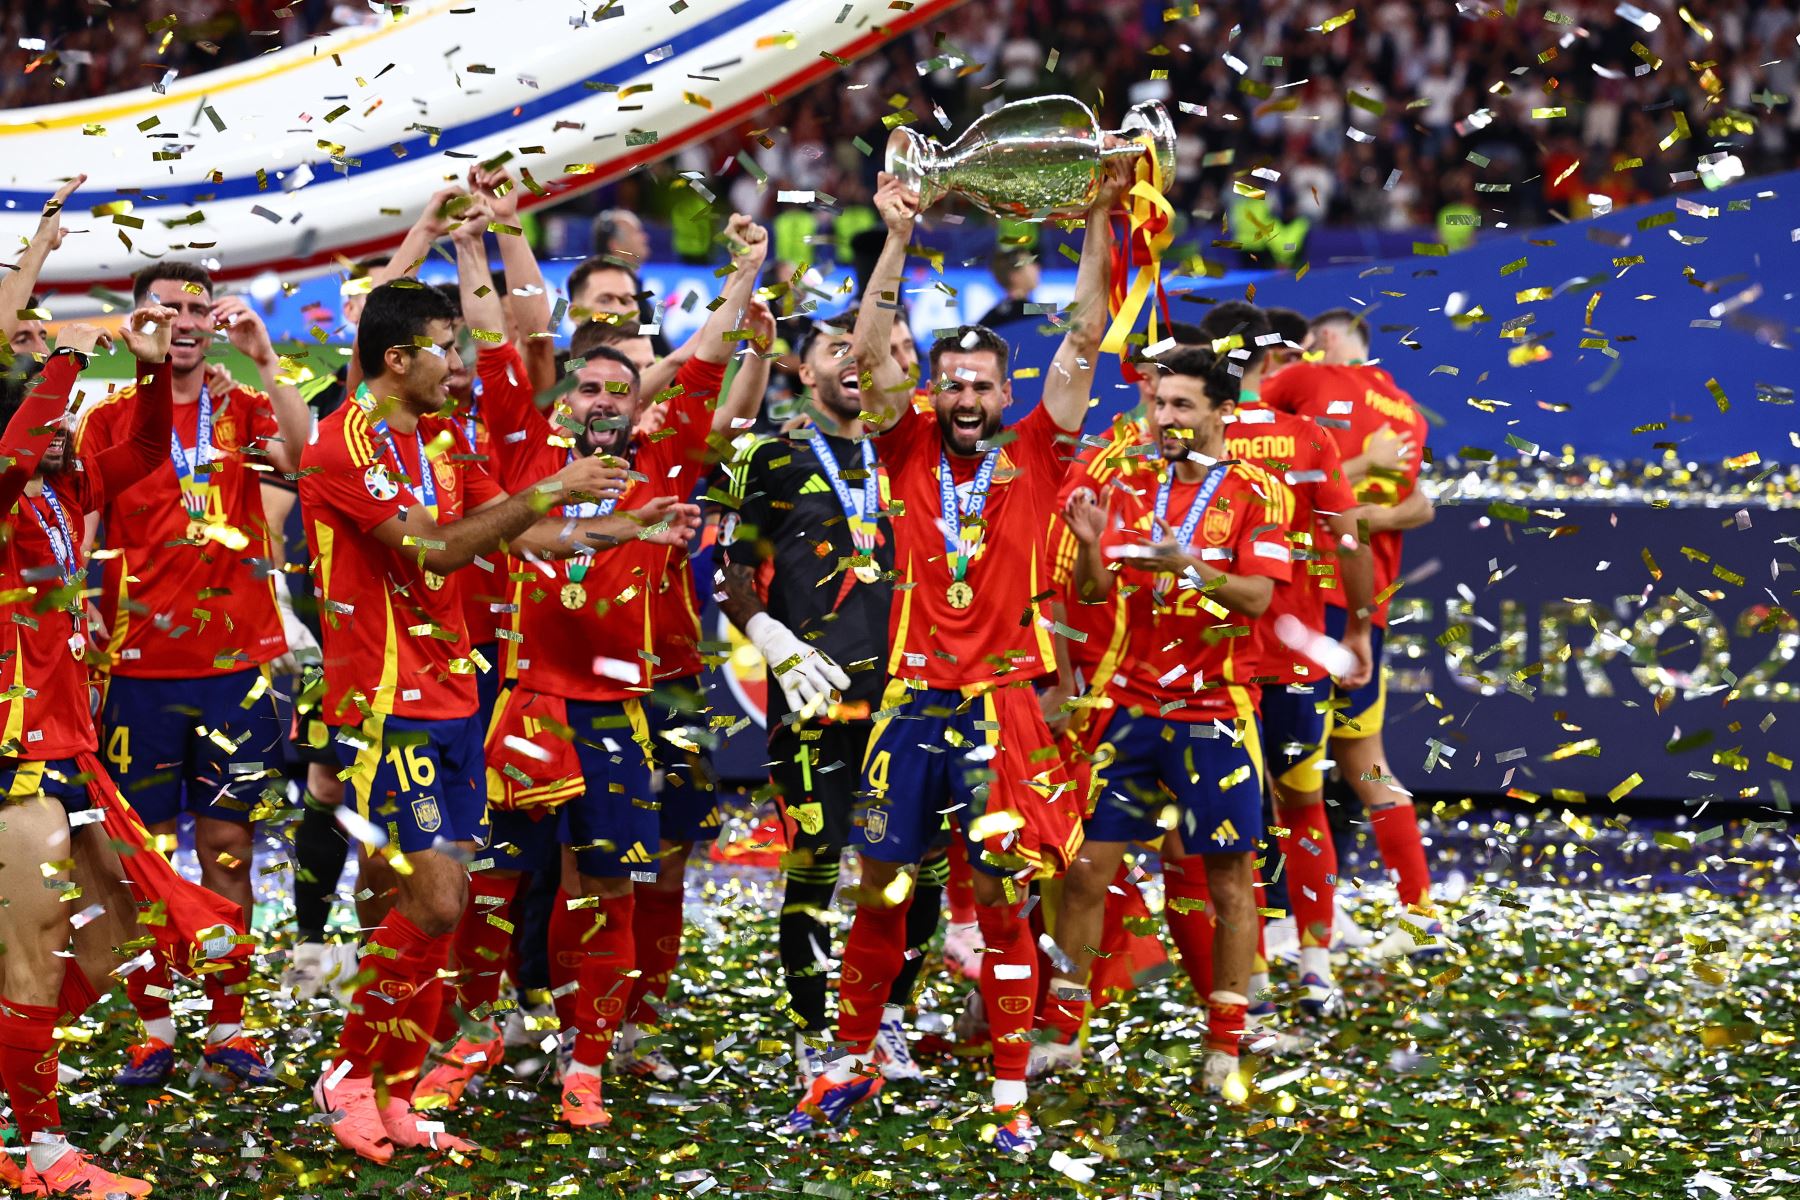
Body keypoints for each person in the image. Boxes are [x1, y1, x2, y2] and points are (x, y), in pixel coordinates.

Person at [782, 161, 1126, 1151]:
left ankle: (1011, 1097)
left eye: (982, 383)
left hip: (1004, 710)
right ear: (932, 387)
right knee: (880, 893)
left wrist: (1099, 216)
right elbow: (867, 351)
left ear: (1005, 391)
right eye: (952, 382)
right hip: (914, 704)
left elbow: (1086, 333)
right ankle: (849, 1065)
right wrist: (895, 234)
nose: (966, 396)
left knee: (1004, 903)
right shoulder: (902, 441)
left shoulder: (1037, 446)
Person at [424, 213, 757, 1129]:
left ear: (636, 401)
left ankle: (588, 1061)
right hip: (528, 706)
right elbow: (495, 337)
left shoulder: (668, 458)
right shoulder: (523, 451)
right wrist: (468, 247)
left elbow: (703, 360)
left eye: (620, 388)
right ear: (562, 400)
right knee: (493, 883)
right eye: (588, 389)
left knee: (611, 889)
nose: (604, 401)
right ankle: (478, 1033)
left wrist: (744, 273)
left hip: (618, 713)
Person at [304, 281, 635, 1162]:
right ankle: (344, 1076)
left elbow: (519, 535)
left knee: (440, 914)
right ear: (398, 360)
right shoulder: (345, 444)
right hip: (387, 710)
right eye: (447, 347)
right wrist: (554, 484)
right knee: (435, 896)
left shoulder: (444, 438)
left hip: (455, 701)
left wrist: (627, 523)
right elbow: (444, 547)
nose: (461, 362)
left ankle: (397, 1093)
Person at [76, 261, 311, 1088]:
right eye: (165, 308)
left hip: (236, 670)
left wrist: (265, 355)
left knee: (229, 849)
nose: (183, 320)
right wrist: (80, 605)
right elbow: (79, 521)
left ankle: (228, 1025)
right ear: (139, 321)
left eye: (196, 308)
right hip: (137, 672)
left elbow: (309, 459)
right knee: (141, 858)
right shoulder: (105, 419)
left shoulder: (242, 405)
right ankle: (153, 1028)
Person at [1042, 345, 1300, 1097]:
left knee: (1226, 883)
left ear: (1225, 412)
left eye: (1183, 406)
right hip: (1131, 709)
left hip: (1216, 714)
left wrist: (1188, 564)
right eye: (1159, 405)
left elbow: (1255, 599)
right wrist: (1093, 547)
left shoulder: (1262, 493)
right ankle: (1064, 1033)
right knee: (1088, 870)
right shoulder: (1129, 481)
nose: (1165, 419)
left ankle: (1224, 1043)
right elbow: (1093, 593)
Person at [0, 305, 196, 1197]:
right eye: (43, 425)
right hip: (14, 757)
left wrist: (154, 371)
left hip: (71, 746)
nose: (57, 439)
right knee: (36, 952)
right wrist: (70, 354)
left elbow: (150, 455)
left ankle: (15, 1076)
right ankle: (41, 1152)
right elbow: (11, 454)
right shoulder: (4, 492)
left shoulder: (61, 492)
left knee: (119, 927)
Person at [719, 312, 943, 1088]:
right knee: (815, 860)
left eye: (876, 347)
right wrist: (773, 642)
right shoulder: (770, 456)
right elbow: (733, 575)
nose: (859, 359)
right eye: (836, 348)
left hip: (916, 699)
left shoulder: (921, 447)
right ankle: (817, 1032)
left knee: (918, 869)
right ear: (804, 371)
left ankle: (889, 1019)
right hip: (815, 694)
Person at [1191, 301, 1376, 1019]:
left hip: (1217, 667)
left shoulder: (1193, 436)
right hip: (1295, 660)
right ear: (1271, 359)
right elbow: (1351, 535)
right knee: (1303, 809)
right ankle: (1318, 964)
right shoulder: (1307, 438)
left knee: (1229, 825)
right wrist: (1357, 626)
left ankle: (1254, 976)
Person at [1263, 308, 1441, 957]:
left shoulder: (1307, 381)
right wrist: (1375, 502)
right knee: (1366, 768)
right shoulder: (1407, 414)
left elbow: (1251, 448)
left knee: (1288, 774)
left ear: (1327, 340)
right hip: (1366, 607)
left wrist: (1354, 470)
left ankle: (1296, 918)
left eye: (1303, 346)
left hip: (1303, 603)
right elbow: (1417, 504)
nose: (1287, 361)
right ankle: (1419, 914)